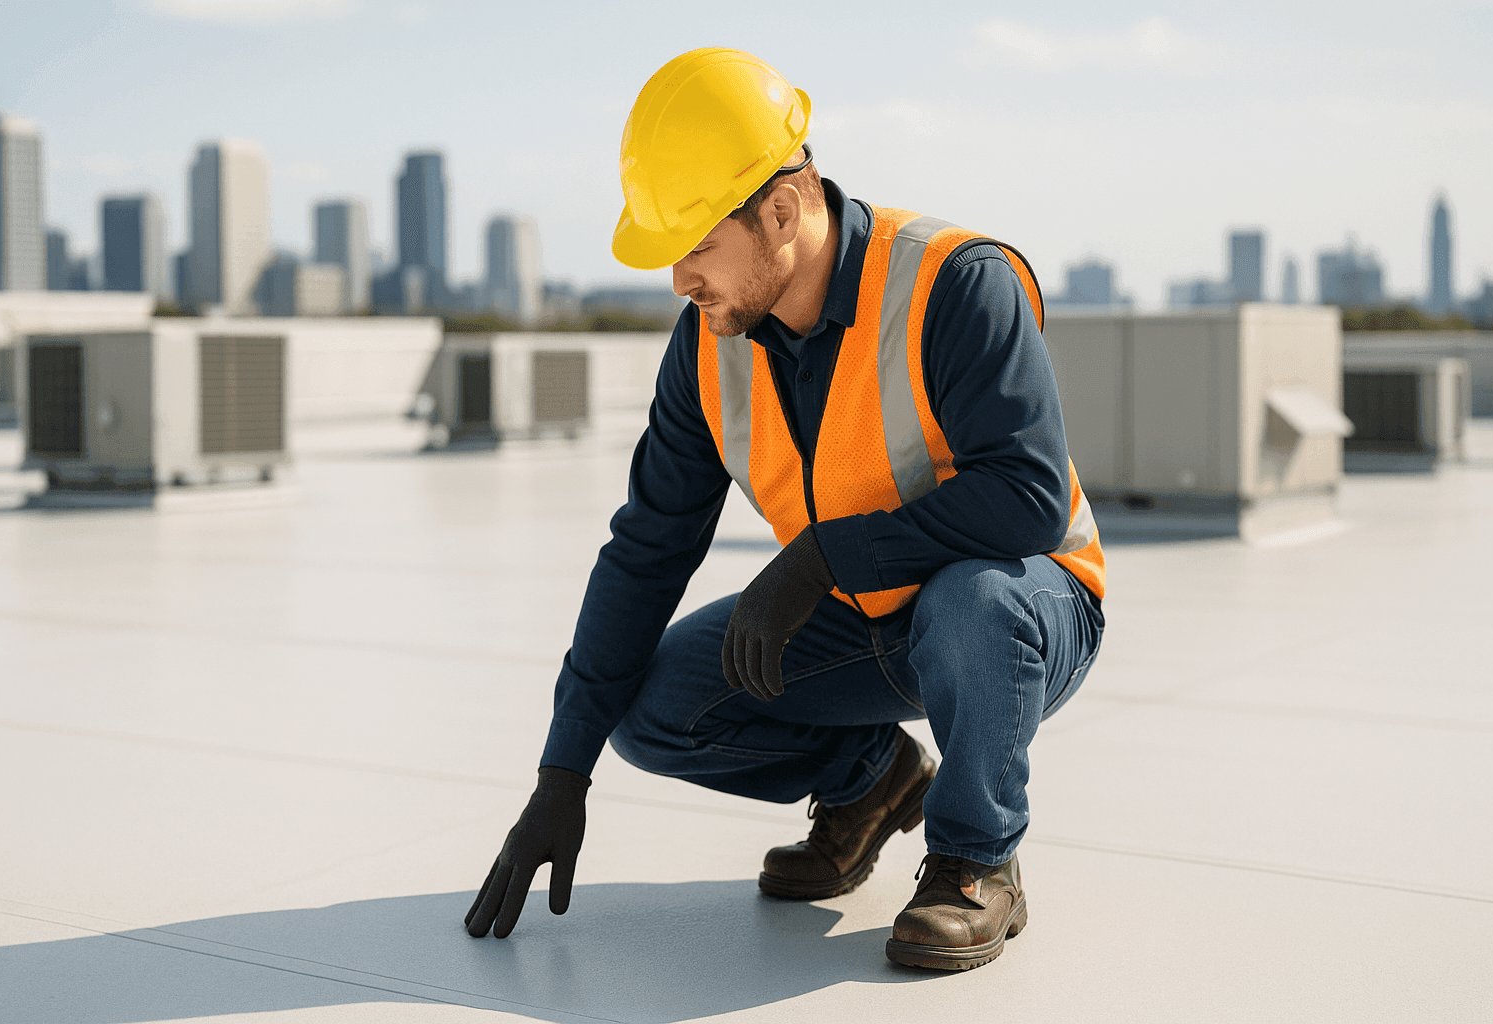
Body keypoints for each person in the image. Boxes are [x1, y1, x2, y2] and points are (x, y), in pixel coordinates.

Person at [466, 47, 1106, 972]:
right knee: (653, 709)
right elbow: (645, 549)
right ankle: (875, 782)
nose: (680, 280)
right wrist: (562, 770)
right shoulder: (705, 348)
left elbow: (1031, 501)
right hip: (863, 623)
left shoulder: (954, 283)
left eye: (695, 247)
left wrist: (821, 559)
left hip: (1026, 611)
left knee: (973, 601)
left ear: (780, 210)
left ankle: (975, 860)